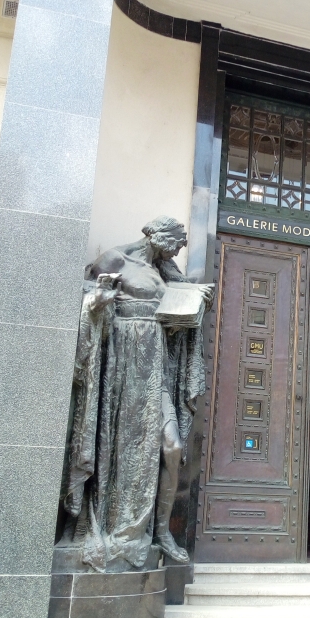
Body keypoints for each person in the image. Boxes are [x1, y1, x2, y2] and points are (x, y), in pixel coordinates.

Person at [58, 216, 212, 571]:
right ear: (159, 236)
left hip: (155, 366)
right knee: (117, 447)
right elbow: (88, 301)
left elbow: (172, 316)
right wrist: (97, 302)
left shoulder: (163, 270)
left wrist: (194, 299)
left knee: (172, 448)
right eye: (177, 244)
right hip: (123, 367)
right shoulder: (115, 258)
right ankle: (109, 523)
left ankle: (161, 531)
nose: (178, 252)